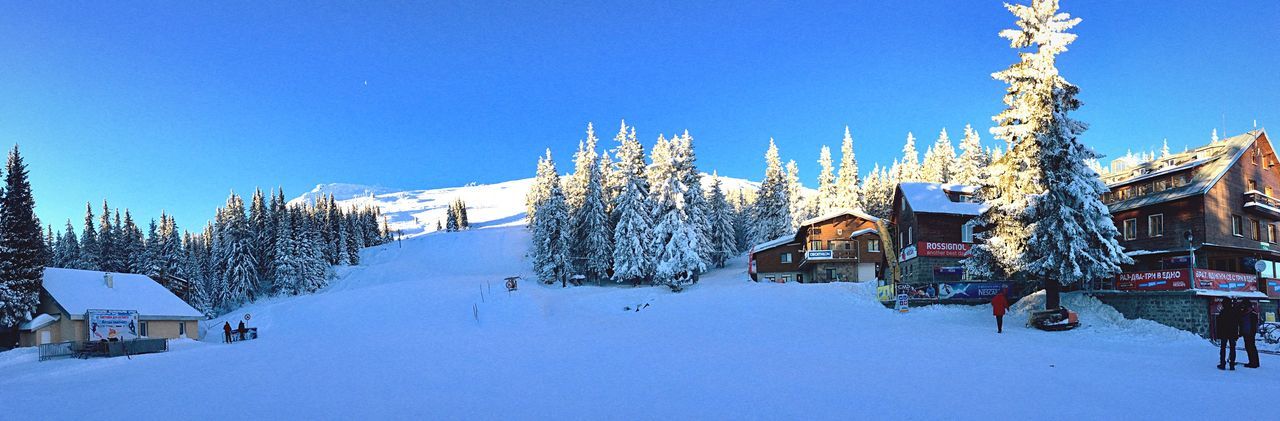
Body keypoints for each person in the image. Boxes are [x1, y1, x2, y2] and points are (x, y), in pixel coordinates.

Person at [1216, 299, 1241, 370]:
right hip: (1232, 333)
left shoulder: (1222, 312)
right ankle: (1232, 364)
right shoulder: (1234, 312)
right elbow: (1237, 323)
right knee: (1232, 348)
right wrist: (1237, 333)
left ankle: (1222, 364)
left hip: (1224, 333)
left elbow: (1219, 324)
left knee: (1223, 348)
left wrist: (1219, 334)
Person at [1239, 301, 1260, 369]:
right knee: (1249, 347)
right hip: (1246, 333)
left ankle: (1253, 362)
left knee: (1251, 347)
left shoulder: (1252, 314)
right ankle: (1253, 362)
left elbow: (1254, 325)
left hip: (1250, 333)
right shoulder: (1244, 314)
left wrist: (1252, 332)